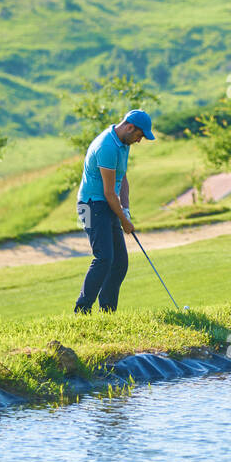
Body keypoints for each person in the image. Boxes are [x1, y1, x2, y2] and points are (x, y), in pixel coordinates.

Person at [74, 109, 154, 313]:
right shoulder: (107, 146)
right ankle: (82, 309)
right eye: (139, 136)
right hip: (90, 205)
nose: (139, 141)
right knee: (104, 257)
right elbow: (109, 192)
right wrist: (124, 222)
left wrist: (125, 209)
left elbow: (122, 178)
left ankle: (107, 312)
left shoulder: (123, 144)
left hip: (106, 204)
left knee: (119, 262)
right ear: (129, 127)